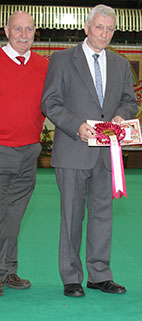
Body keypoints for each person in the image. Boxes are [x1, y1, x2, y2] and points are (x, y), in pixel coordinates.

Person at [41, 4, 137, 297]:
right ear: (86, 28)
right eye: (99, 27)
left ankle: (99, 275)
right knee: (71, 216)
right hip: (72, 149)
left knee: (102, 215)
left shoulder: (120, 64)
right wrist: (76, 126)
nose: (104, 33)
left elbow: (129, 101)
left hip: (106, 154)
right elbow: (50, 103)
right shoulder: (61, 60)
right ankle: (71, 277)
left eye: (110, 29)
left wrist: (121, 115)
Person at [0, 11, 49, 296]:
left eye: (28, 29)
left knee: (14, 216)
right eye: (17, 29)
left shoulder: (44, 65)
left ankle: (8, 271)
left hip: (29, 152)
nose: (22, 34)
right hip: (1, 150)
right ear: (6, 30)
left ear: (34, 32)